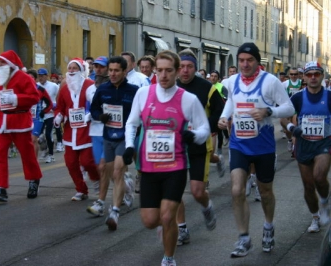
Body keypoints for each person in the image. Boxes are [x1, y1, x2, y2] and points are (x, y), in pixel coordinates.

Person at [124, 50, 210, 266]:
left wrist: (195, 136)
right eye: (159, 70)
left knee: (167, 216)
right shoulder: (143, 94)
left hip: (175, 166)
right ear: (155, 71)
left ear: (177, 71)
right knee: (150, 221)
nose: (163, 75)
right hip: (149, 168)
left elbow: (205, 128)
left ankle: (168, 259)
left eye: (168, 71)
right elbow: (131, 123)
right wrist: (128, 146)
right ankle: (165, 226)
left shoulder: (188, 99)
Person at [217, 42, 294, 257]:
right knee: (236, 190)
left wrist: (268, 111)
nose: (244, 64)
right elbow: (231, 101)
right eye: (241, 60)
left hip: (263, 146)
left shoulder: (270, 82)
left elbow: (289, 107)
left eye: (249, 60)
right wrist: (224, 117)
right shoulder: (232, 81)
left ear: (257, 61)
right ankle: (244, 238)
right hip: (239, 144)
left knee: (265, 191)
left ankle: (268, 226)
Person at [175, 48, 224, 246]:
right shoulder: (171, 86)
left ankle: (206, 206)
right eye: (181, 67)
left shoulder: (207, 88)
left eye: (189, 67)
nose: (185, 71)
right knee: (175, 191)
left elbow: (219, 113)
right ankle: (182, 229)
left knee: (197, 191)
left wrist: (202, 129)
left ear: (195, 68)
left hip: (198, 145)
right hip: (175, 146)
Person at [0, 50, 42, 202]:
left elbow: (34, 97)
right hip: (1, 122)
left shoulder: (24, 78)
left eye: (2, 62)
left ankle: (34, 179)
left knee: (27, 154)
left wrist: (16, 98)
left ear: (10, 64)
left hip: (19, 121)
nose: (0, 65)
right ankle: (0, 188)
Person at [281, 61, 331, 233]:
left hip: (324, 143)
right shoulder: (298, 98)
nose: (313, 77)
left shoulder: (329, 96)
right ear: (304, 78)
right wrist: (292, 129)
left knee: (319, 177)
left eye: (316, 74)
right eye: (309, 75)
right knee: (308, 186)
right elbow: (283, 118)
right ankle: (315, 217)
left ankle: (324, 201)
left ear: (322, 76)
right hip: (304, 144)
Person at [90, 56, 137, 230]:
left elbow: (140, 113)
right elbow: (94, 108)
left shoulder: (133, 90)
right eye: (110, 70)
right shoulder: (102, 89)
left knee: (117, 172)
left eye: (117, 70)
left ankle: (115, 211)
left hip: (125, 137)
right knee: (109, 173)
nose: (113, 74)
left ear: (125, 71)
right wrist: (99, 117)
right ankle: (127, 184)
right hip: (108, 136)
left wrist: (135, 135)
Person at [54, 58, 100, 201]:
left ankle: (97, 181)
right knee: (70, 162)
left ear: (82, 71)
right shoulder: (64, 88)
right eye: (70, 68)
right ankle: (81, 189)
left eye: (75, 68)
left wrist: (90, 115)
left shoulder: (90, 85)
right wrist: (58, 117)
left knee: (87, 162)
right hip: (70, 132)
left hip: (87, 131)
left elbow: (97, 105)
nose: (72, 71)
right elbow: (60, 108)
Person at [86, 56, 111, 216]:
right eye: (96, 67)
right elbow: (87, 106)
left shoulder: (112, 86)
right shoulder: (90, 89)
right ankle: (126, 184)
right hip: (95, 132)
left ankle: (100, 203)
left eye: (101, 67)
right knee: (100, 167)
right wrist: (88, 114)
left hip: (109, 131)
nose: (98, 70)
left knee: (103, 167)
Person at [37, 68, 62, 162]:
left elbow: (60, 96)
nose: (41, 77)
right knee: (39, 135)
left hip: (50, 113)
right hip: (40, 114)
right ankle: (44, 150)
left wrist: (56, 105)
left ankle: (51, 155)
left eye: (42, 76)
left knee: (48, 134)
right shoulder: (36, 86)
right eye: (39, 76)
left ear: (46, 76)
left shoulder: (54, 86)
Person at [27, 69, 53, 157]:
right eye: (27, 78)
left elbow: (50, 103)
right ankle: (30, 159)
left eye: (32, 78)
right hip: (26, 118)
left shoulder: (41, 90)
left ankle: (34, 162)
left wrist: (43, 111)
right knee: (28, 141)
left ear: (35, 79)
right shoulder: (23, 89)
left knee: (33, 139)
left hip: (37, 118)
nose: (29, 79)